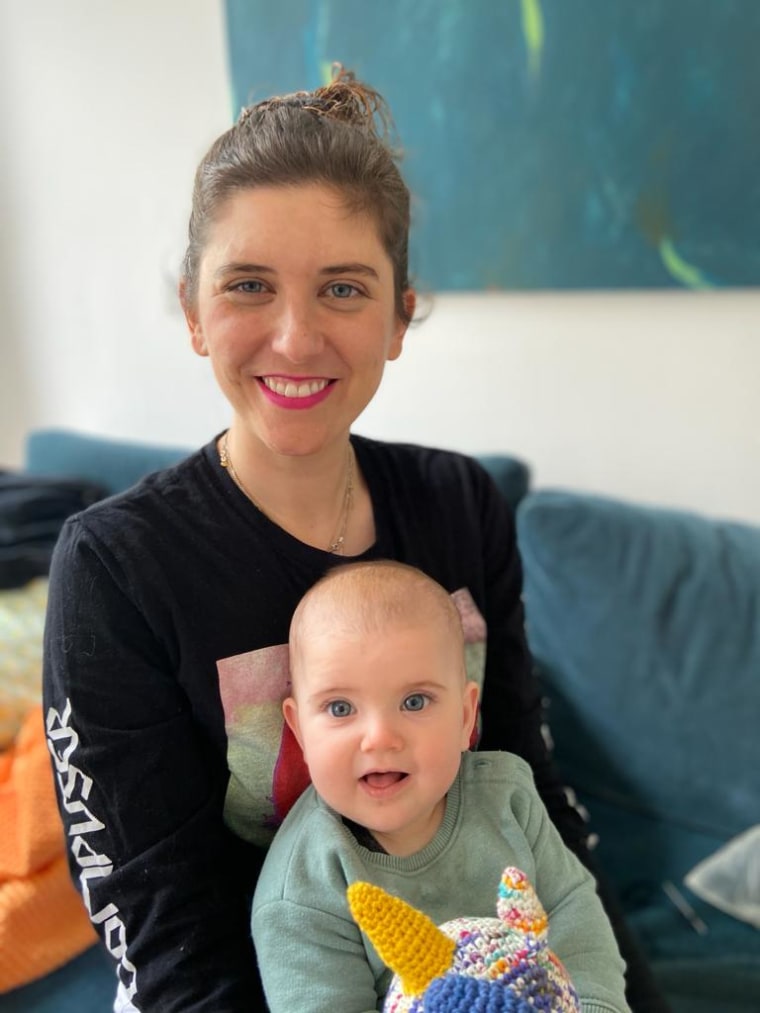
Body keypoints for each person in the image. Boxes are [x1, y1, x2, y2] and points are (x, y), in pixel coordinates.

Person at [42, 68, 667, 1012]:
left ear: (400, 315)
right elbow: (162, 929)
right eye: (248, 284)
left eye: (343, 287)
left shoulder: (460, 505)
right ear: (192, 312)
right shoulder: (115, 569)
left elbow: (535, 798)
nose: (295, 339)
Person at [252, 560, 631, 1013]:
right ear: (298, 731)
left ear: (465, 716)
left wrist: (593, 1005)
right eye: (339, 708)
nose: (379, 738)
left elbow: (573, 914)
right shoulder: (303, 886)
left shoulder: (507, 796)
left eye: (415, 701)